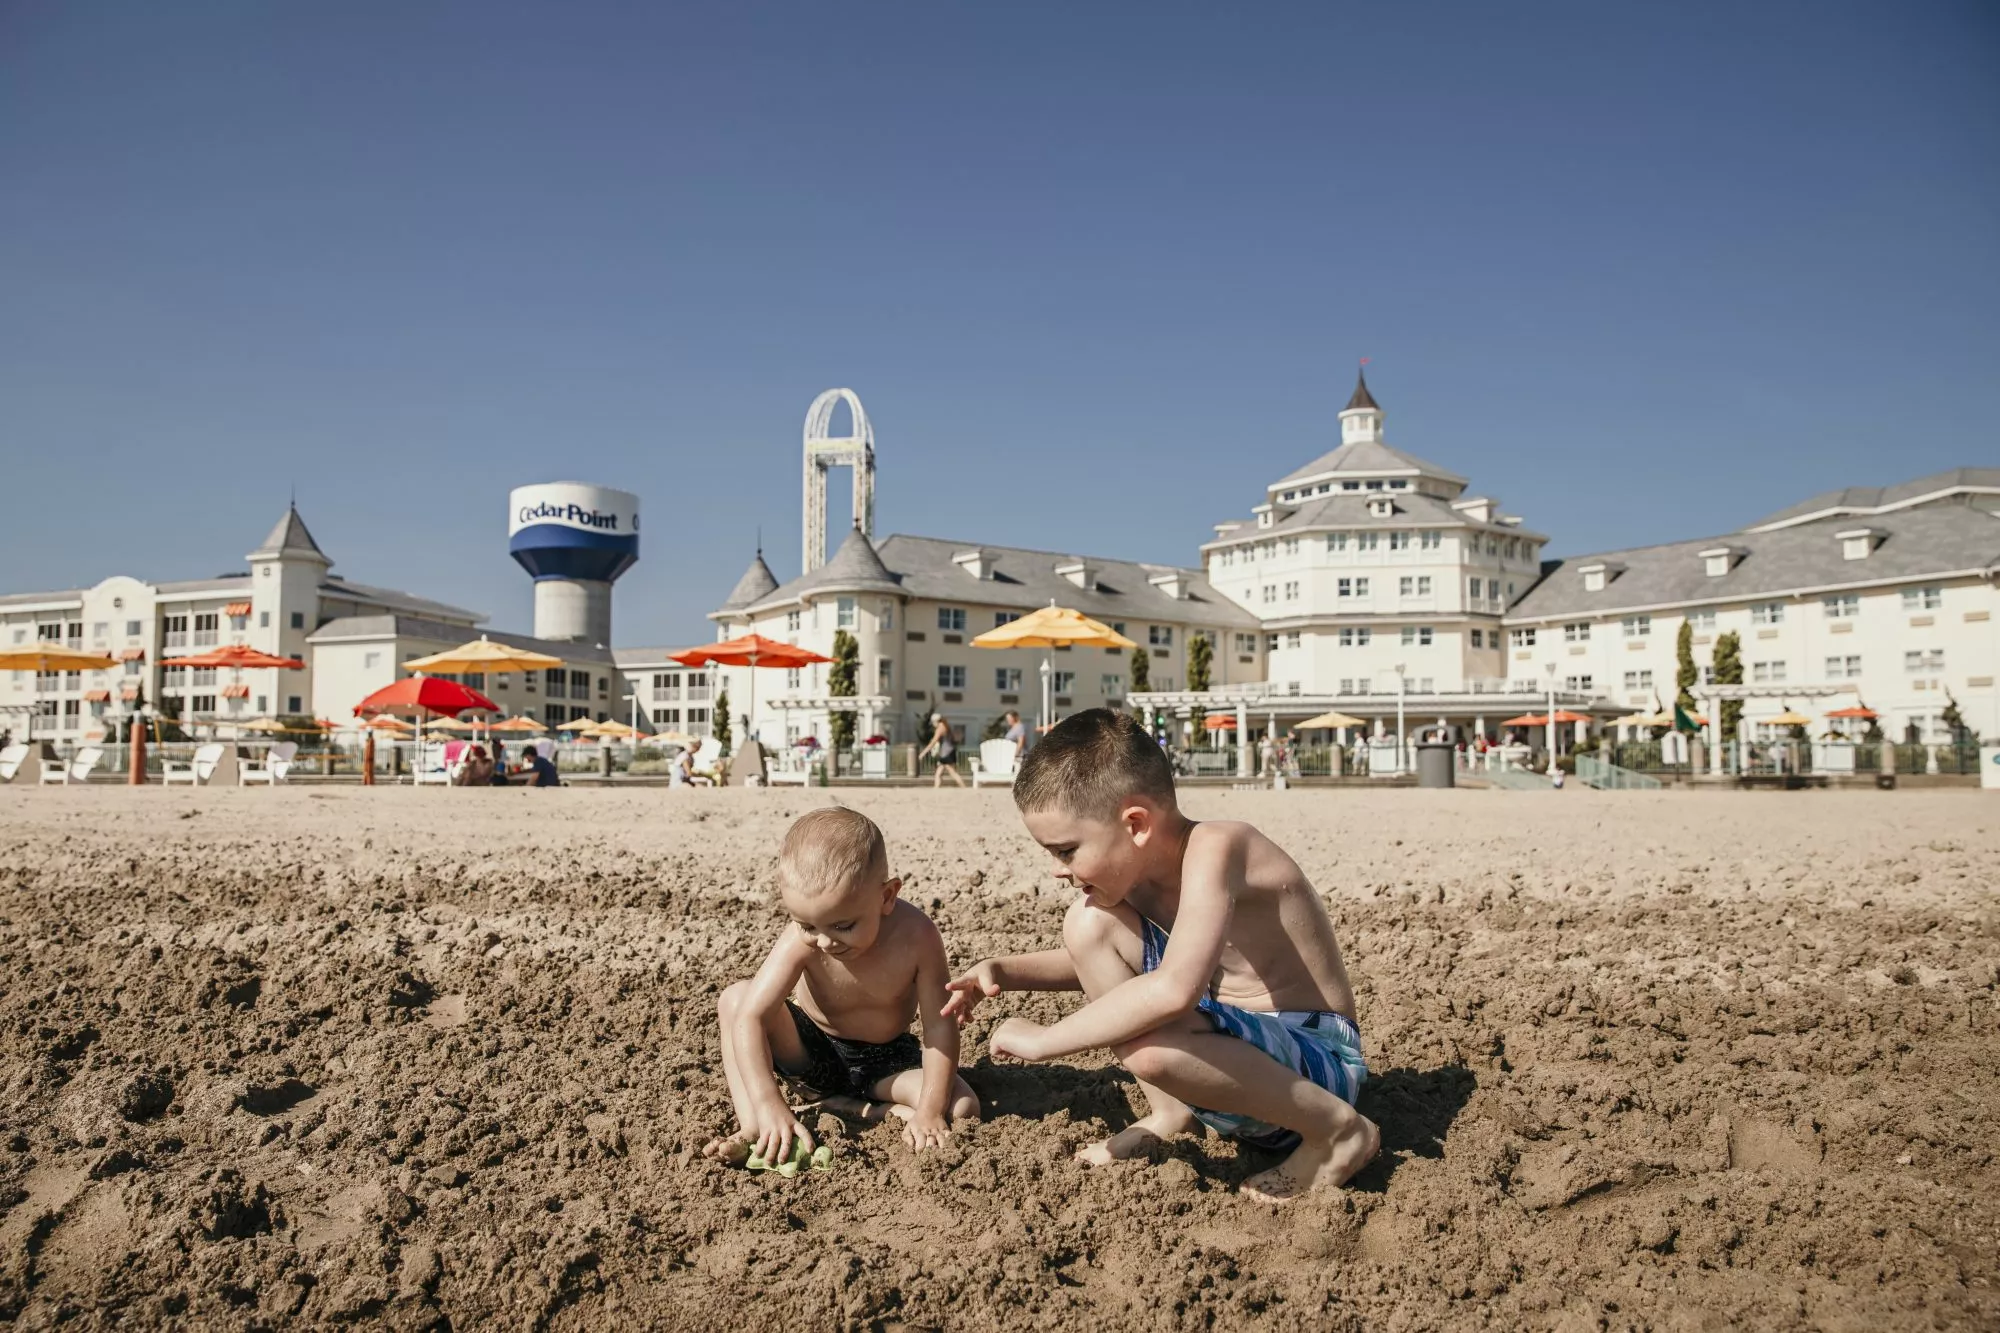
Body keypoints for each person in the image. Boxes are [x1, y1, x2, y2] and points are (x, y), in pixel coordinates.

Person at [941, 708, 1376, 1202]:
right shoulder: (1140, 878)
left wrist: (1046, 1040)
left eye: (1065, 851)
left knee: (1150, 1046)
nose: (1058, 871)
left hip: (1319, 1071)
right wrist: (1004, 971)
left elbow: (1172, 989)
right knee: (1088, 924)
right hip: (1238, 1069)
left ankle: (1339, 1134)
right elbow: (1111, 965)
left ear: (1136, 824)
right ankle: (1174, 1114)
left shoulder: (1219, 848)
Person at [702, 808, 979, 1166]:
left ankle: (852, 1106)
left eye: (843, 926)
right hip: (812, 1050)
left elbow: (939, 1027)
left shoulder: (918, 937)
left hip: (886, 1062)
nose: (824, 941)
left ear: (887, 896)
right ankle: (756, 1126)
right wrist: (769, 1100)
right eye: (807, 925)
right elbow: (750, 1018)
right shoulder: (801, 940)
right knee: (735, 998)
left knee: (962, 1107)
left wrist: (929, 1110)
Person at [919, 713, 964, 789]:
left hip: (946, 753)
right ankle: (936, 789)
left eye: (933, 723)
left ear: (936, 721)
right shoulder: (946, 726)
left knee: (952, 773)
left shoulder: (940, 729)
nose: (933, 725)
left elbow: (933, 742)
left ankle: (963, 787)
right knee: (938, 773)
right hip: (949, 752)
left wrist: (923, 753)